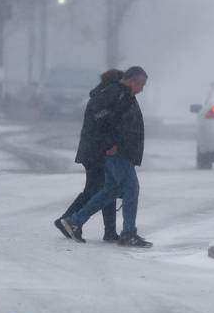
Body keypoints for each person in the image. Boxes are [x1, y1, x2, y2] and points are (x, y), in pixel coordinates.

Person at [59, 66, 151, 248]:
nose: (142, 89)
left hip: (120, 151)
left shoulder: (122, 94)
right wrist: (111, 144)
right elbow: (101, 121)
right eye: (141, 84)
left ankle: (75, 221)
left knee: (110, 191)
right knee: (131, 188)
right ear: (133, 81)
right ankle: (128, 234)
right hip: (118, 152)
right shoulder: (117, 94)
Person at [55, 69, 122, 242]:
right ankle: (67, 220)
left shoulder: (100, 95)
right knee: (97, 190)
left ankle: (108, 231)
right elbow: (103, 124)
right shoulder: (104, 98)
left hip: (92, 151)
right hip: (97, 152)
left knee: (105, 189)